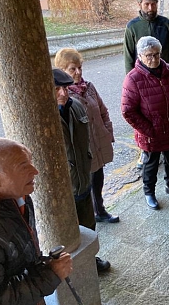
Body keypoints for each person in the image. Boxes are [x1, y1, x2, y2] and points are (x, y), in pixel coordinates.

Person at [0, 137, 73, 304]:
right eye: (23, 167)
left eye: (31, 162)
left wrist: (43, 268)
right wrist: (49, 275)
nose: (35, 171)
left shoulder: (17, 195)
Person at [53, 68, 111, 273]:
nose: (63, 93)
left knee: (88, 224)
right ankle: (69, 269)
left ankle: (90, 259)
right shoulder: (44, 117)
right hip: (64, 187)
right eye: (57, 89)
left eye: (65, 88)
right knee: (64, 233)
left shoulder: (76, 106)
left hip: (83, 179)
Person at [121, 36, 169, 209]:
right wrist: (149, 130)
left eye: (157, 54)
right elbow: (128, 111)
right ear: (140, 56)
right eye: (149, 55)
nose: (154, 59)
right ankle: (149, 192)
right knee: (150, 165)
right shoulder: (133, 79)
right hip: (151, 133)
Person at [123, 0, 169, 169]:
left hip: (165, 76)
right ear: (140, 5)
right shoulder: (132, 27)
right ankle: (144, 151)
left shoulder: (165, 24)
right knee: (143, 116)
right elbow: (129, 56)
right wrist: (131, 80)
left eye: (154, 4)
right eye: (147, 4)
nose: (151, 8)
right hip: (142, 81)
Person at [55, 48, 118, 224]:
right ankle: (93, 213)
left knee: (98, 179)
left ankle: (99, 210)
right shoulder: (65, 96)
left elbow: (103, 111)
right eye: (72, 69)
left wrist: (108, 132)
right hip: (83, 152)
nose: (78, 72)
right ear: (62, 70)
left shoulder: (89, 87)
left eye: (80, 67)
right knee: (85, 184)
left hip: (98, 144)